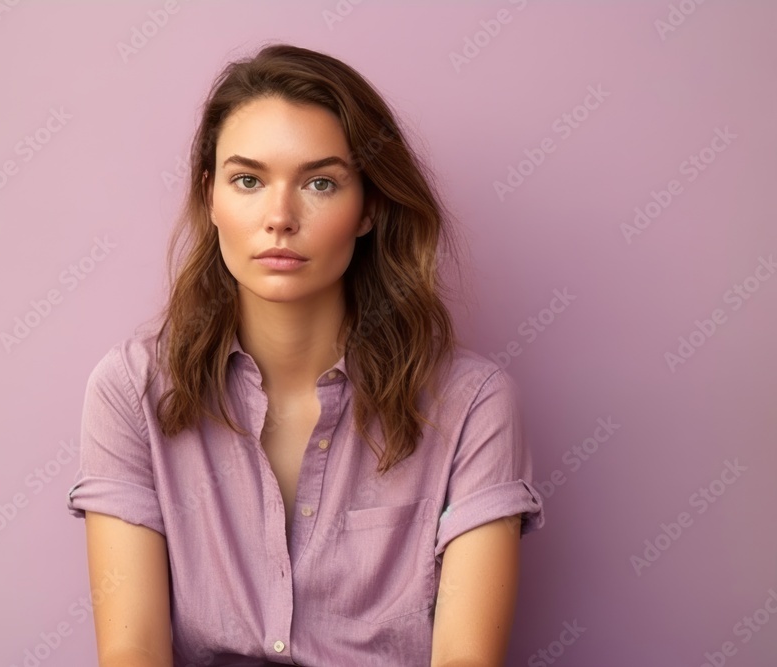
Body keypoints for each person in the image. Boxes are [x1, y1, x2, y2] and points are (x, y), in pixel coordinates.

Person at [66, 42, 545, 666]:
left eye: (320, 183)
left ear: (369, 206)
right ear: (211, 198)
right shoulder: (130, 390)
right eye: (248, 180)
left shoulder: (472, 404)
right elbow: (132, 652)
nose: (279, 216)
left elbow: (465, 660)